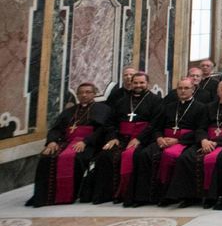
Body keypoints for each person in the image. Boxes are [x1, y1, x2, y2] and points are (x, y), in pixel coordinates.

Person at [165, 79, 222, 208]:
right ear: (217, 91)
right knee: (185, 158)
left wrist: (215, 143)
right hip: (206, 141)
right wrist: (203, 140)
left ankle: (212, 196)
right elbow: (200, 127)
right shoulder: (209, 107)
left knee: (216, 159)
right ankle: (189, 196)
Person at [27, 83, 111, 206]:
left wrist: (85, 141)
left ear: (94, 94)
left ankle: (70, 194)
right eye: (81, 92)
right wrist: (52, 142)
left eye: (88, 92)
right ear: (77, 95)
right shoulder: (69, 111)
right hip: (66, 142)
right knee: (47, 158)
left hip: (89, 143)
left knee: (76, 158)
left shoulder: (102, 109)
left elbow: (101, 130)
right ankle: (45, 196)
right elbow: (56, 129)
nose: (84, 95)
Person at [128, 77, 203, 207]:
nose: (183, 91)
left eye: (186, 88)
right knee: (144, 155)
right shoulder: (168, 107)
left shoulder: (201, 108)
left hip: (186, 142)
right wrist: (159, 138)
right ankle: (144, 197)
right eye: (180, 88)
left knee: (181, 159)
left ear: (193, 90)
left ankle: (175, 196)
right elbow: (157, 127)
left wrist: (178, 140)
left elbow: (200, 129)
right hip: (164, 140)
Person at [90, 72, 162, 204]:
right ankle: (106, 195)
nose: (138, 85)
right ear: (131, 83)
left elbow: (155, 123)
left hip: (144, 139)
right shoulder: (121, 101)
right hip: (121, 138)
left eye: (142, 83)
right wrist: (113, 137)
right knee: (105, 156)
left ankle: (132, 196)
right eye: (136, 83)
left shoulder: (156, 101)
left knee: (137, 156)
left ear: (148, 84)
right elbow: (110, 122)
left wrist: (139, 138)